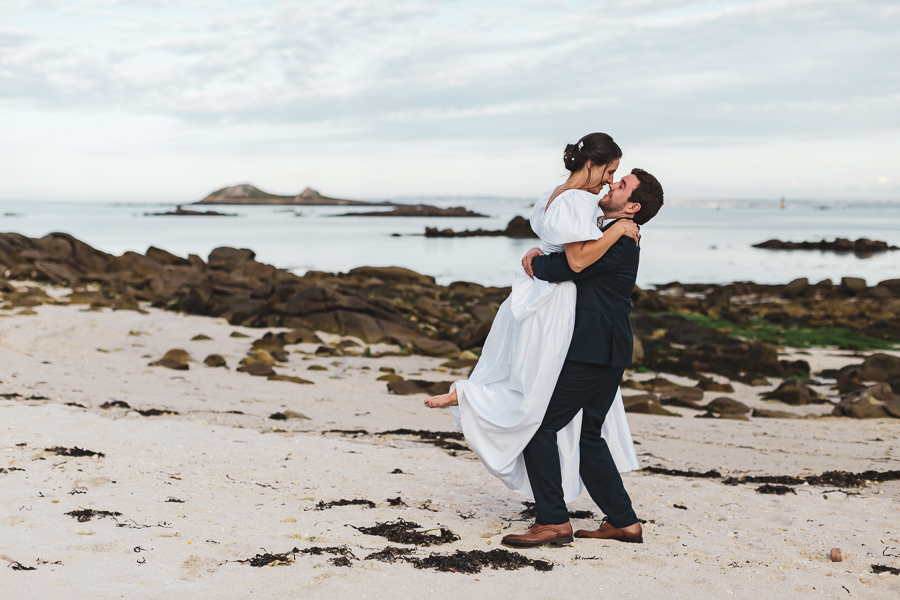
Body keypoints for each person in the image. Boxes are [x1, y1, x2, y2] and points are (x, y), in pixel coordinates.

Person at [424, 133, 641, 506]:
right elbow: (576, 261)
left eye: (617, 178)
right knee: (536, 398)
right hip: (555, 306)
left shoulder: (554, 195)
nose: (609, 181)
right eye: (611, 172)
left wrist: (538, 255)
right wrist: (619, 229)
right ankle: (474, 399)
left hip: (533, 301)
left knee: (532, 386)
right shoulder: (579, 201)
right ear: (592, 164)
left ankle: (471, 397)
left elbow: (560, 245)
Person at [501, 166, 664, 548]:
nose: (611, 184)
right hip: (608, 348)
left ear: (632, 206)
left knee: (540, 427)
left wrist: (536, 262)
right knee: (589, 437)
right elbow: (571, 255)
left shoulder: (619, 238)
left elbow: (566, 267)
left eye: (621, 185)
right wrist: (540, 251)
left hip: (595, 350)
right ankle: (624, 522)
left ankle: (554, 521)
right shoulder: (609, 231)